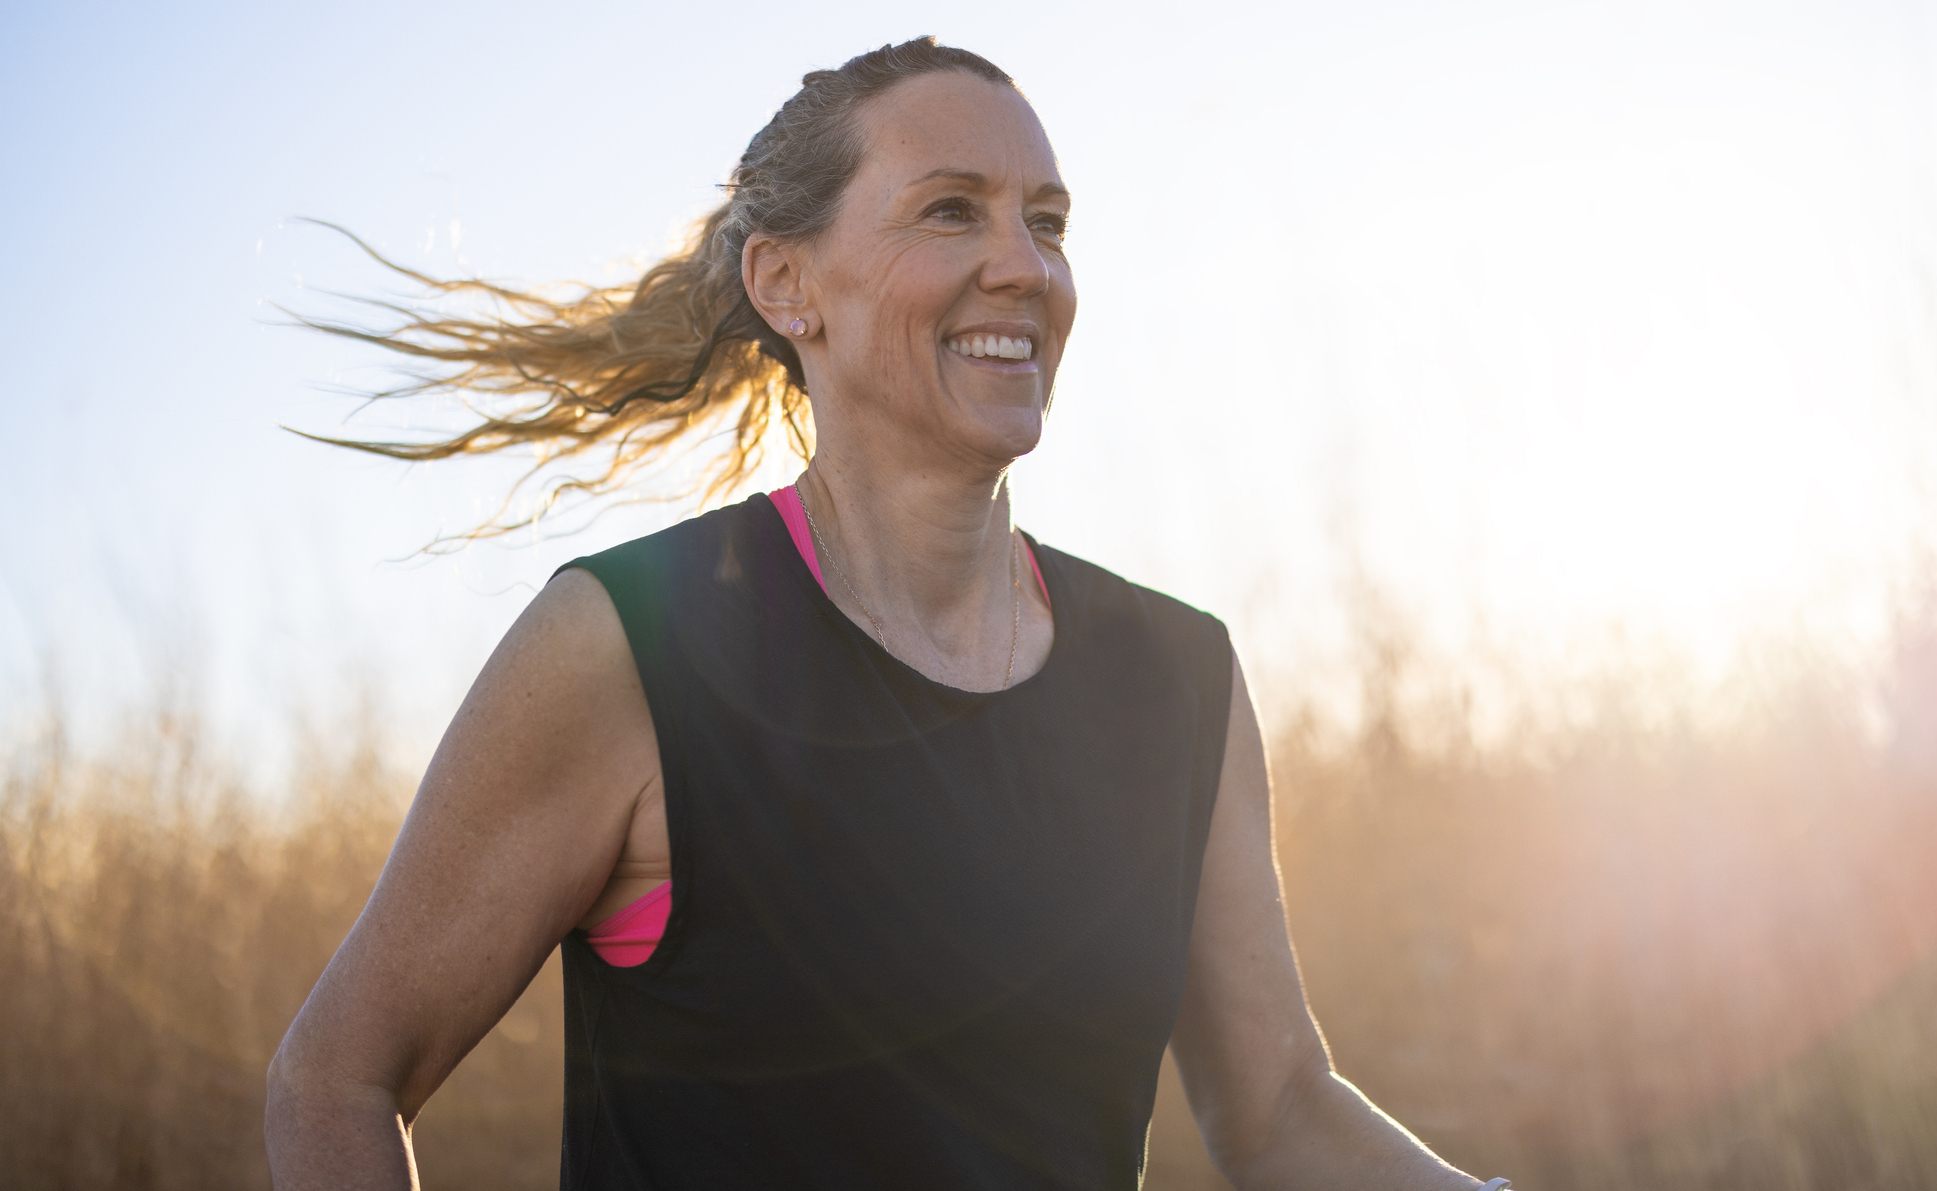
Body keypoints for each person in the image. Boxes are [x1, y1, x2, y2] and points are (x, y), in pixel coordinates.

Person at [263, 37, 1509, 1191]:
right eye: (950, 210)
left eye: (1048, 221)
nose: (1023, 264)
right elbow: (335, 1080)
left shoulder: (1179, 676)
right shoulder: (628, 649)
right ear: (788, 283)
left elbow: (1281, 1102)